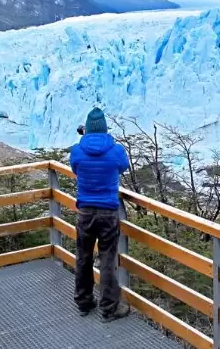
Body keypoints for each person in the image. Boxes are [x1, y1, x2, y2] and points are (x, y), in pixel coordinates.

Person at [70, 107, 131, 322]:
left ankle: (84, 302)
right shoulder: (116, 150)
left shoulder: (77, 150)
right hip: (108, 213)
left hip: (85, 212)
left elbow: (76, 169)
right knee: (107, 260)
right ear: (105, 129)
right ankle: (109, 308)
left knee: (83, 257)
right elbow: (123, 167)